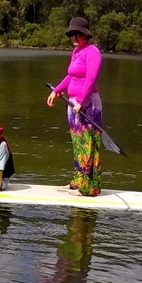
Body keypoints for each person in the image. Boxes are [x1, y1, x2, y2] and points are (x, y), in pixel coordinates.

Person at [46, 17, 104, 197]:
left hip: (87, 104)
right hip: (73, 103)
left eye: (78, 34)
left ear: (85, 34)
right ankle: (78, 181)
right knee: (77, 143)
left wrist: (80, 100)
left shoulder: (92, 51)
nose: (75, 37)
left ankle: (89, 187)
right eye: (72, 34)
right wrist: (56, 90)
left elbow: (90, 78)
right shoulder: (76, 52)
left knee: (87, 144)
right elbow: (71, 76)